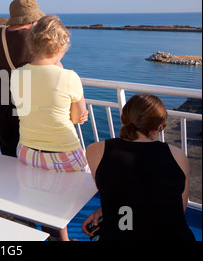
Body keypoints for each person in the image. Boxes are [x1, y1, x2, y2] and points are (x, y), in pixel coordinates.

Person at [10, 14, 89, 241]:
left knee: (45, 197)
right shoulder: (69, 77)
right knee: (88, 177)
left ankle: (55, 236)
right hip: (66, 158)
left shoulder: (16, 75)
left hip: (27, 153)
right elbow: (76, 117)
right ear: (58, 46)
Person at [82, 93, 195, 241]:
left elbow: (118, 191)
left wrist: (106, 210)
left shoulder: (95, 150)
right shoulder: (178, 155)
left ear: (124, 120)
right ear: (157, 128)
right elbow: (179, 209)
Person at [0, 0, 45, 157]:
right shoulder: (34, 38)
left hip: (2, 103)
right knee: (31, 156)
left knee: (8, 155)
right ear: (33, 19)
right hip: (26, 105)